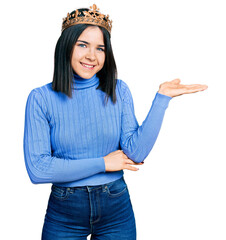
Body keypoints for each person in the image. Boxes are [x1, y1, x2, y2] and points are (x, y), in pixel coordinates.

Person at [23, 4, 208, 240]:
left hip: (116, 206)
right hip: (65, 211)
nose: (92, 55)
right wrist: (103, 163)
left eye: (100, 48)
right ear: (65, 46)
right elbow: (38, 170)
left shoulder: (119, 90)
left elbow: (135, 153)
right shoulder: (41, 98)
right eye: (83, 45)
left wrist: (162, 99)